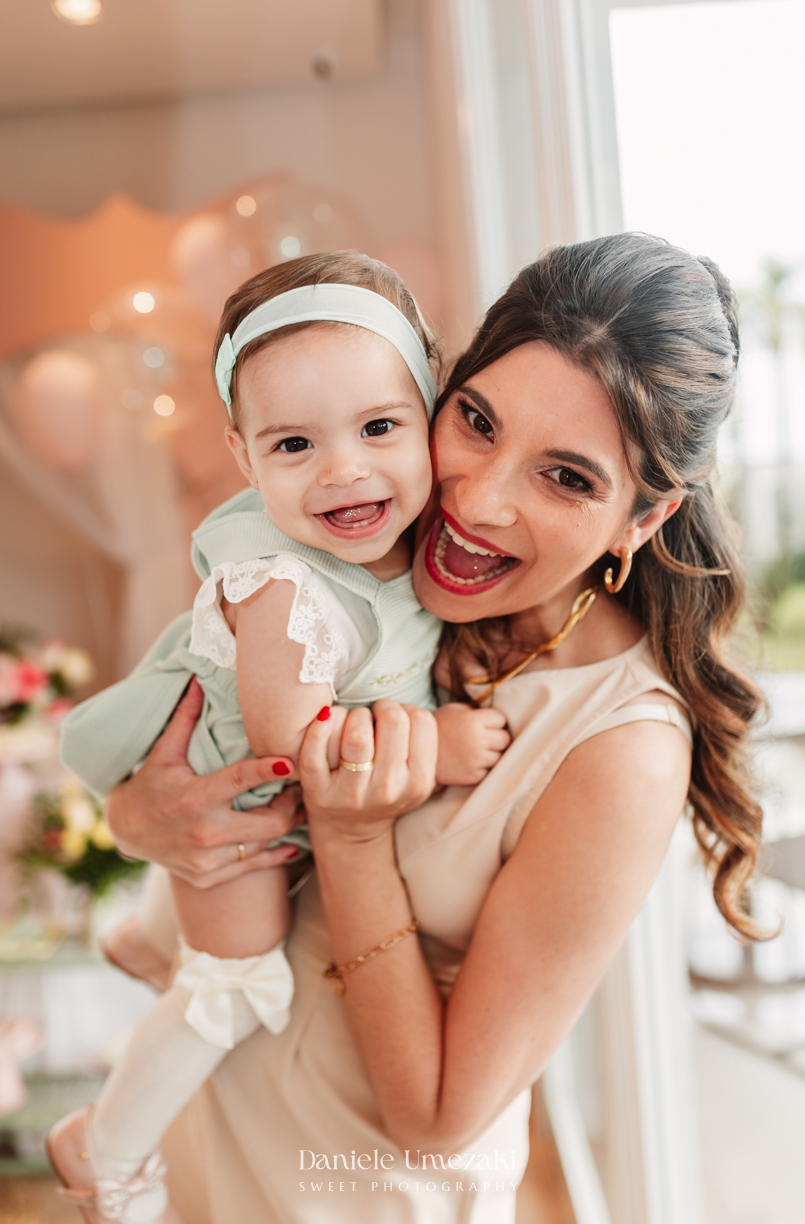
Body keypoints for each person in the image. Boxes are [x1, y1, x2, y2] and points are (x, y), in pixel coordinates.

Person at [99, 234, 763, 1224]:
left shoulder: (621, 749)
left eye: (568, 478)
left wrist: (354, 833)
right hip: (201, 1138)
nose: (481, 500)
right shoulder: (356, 550)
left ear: (642, 519)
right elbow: (200, 756)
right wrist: (144, 822)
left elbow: (442, 1115)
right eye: (478, 420)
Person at [48, 254, 509, 1224]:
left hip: (268, 815)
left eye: (379, 428)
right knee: (237, 983)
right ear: (243, 456)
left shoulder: (397, 552)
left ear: (428, 419)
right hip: (245, 808)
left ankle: (146, 934)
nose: (343, 469)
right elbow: (295, 745)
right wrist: (444, 742)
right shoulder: (284, 587)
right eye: (293, 445)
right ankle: (108, 1145)